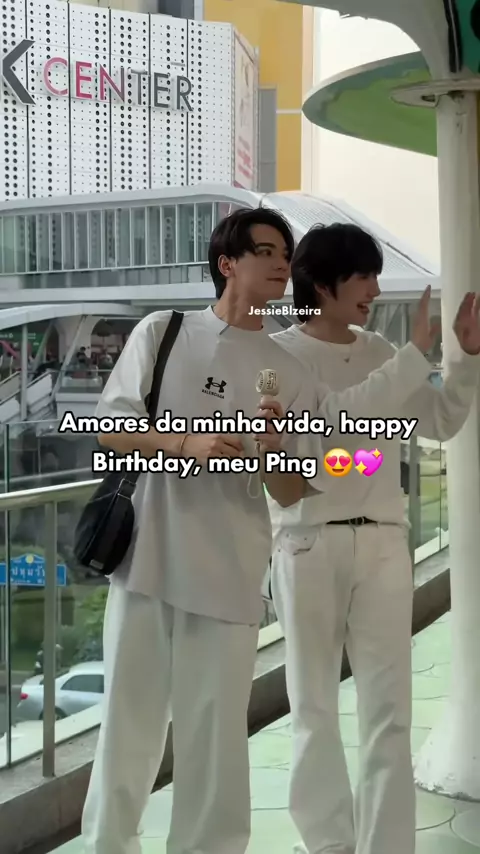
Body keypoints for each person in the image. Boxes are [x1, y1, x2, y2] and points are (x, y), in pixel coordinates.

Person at [81, 209, 439, 854]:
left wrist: (274, 451)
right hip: (148, 560)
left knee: (216, 738)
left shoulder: (285, 368)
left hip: (231, 570)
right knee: (129, 726)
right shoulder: (164, 332)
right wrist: (191, 444)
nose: (281, 264)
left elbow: (295, 485)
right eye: (266, 251)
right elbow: (112, 426)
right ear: (227, 264)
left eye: (285, 253)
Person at [267, 222, 480, 854]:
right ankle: (329, 844)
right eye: (362, 275)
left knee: (389, 710)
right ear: (320, 283)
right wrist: (410, 362)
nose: (374, 289)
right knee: (312, 708)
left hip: (385, 542)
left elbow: (438, 420)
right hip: (307, 543)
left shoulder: (383, 351)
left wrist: (463, 360)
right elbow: (327, 434)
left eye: (374, 275)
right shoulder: (279, 358)